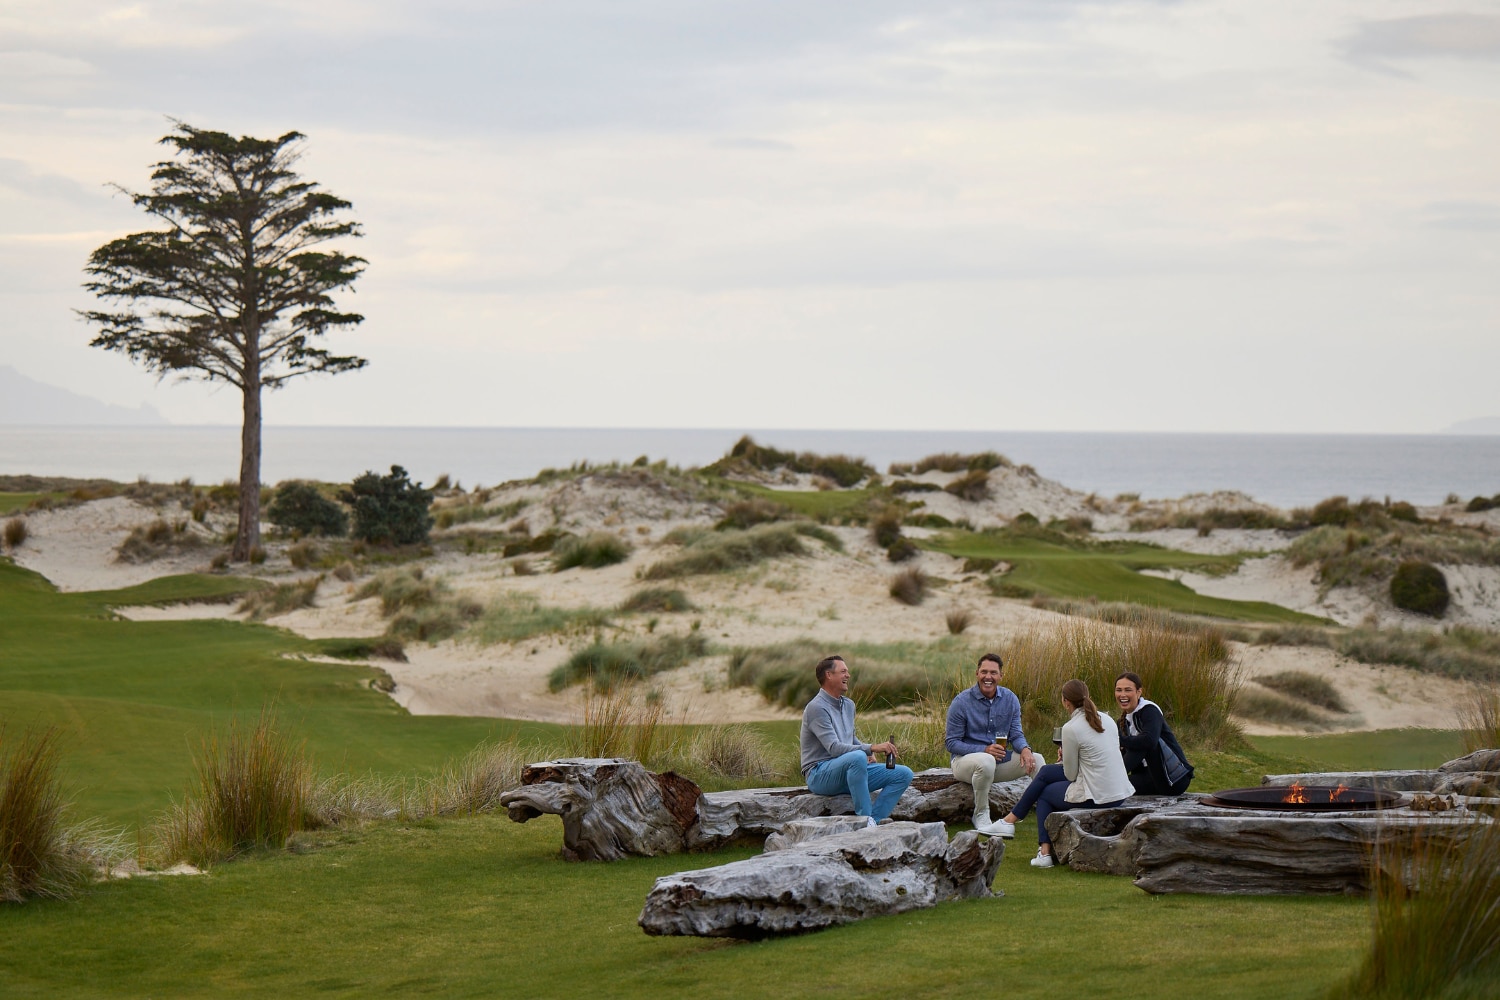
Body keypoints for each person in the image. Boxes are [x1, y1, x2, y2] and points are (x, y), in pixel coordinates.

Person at [993, 679, 1134, 868]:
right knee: (1045, 772)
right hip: (1118, 791)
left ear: (1065, 701)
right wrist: (1069, 756)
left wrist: (1067, 756)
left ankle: (1040, 848)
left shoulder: (1071, 728)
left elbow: (1071, 775)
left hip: (1098, 794)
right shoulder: (1106, 719)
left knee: (1044, 793)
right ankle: (1012, 823)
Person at [800, 654, 914, 826]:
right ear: (829, 675)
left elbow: (850, 738)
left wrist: (865, 751)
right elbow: (834, 748)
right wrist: (870, 749)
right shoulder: (816, 708)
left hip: (849, 770)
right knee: (858, 757)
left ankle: (873, 822)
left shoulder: (849, 705)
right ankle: (865, 818)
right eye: (843, 671)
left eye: (848, 671)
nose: (848, 675)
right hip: (820, 774)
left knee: (903, 774)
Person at [945, 652, 1038, 837]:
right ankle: (980, 814)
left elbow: (1016, 734)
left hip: (998, 763)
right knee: (986, 760)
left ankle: (1045, 813)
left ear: (1000, 676)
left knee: (1038, 760)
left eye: (993, 673)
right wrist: (984, 749)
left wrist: (1026, 749)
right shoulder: (961, 702)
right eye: (984, 672)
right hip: (964, 763)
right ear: (977, 674)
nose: (988, 677)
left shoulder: (1010, 699)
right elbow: (951, 743)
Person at [1114, 672, 1194, 796]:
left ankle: (1114, 776)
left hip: (1174, 781)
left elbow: (1150, 741)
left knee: (1144, 741)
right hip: (1150, 778)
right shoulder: (1122, 721)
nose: (1122, 694)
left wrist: (1122, 740)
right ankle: (1110, 779)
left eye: (1128, 690)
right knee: (1115, 787)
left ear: (1138, 692)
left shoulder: (1150, 711)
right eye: (1119, 690)